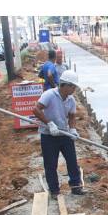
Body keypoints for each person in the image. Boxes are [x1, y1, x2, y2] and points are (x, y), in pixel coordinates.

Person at [32, 70, 85, 200]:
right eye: (72, 86)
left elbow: (72, 116)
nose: (74, 89)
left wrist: (72, 130)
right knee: (51, 164)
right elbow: (36, 109)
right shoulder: (49, 95)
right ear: (64, 85)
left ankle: (75, 186)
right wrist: (49, 123)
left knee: (72, 160)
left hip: (64, 133)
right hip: (49, 135)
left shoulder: (71, 99)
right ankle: (54, 190)